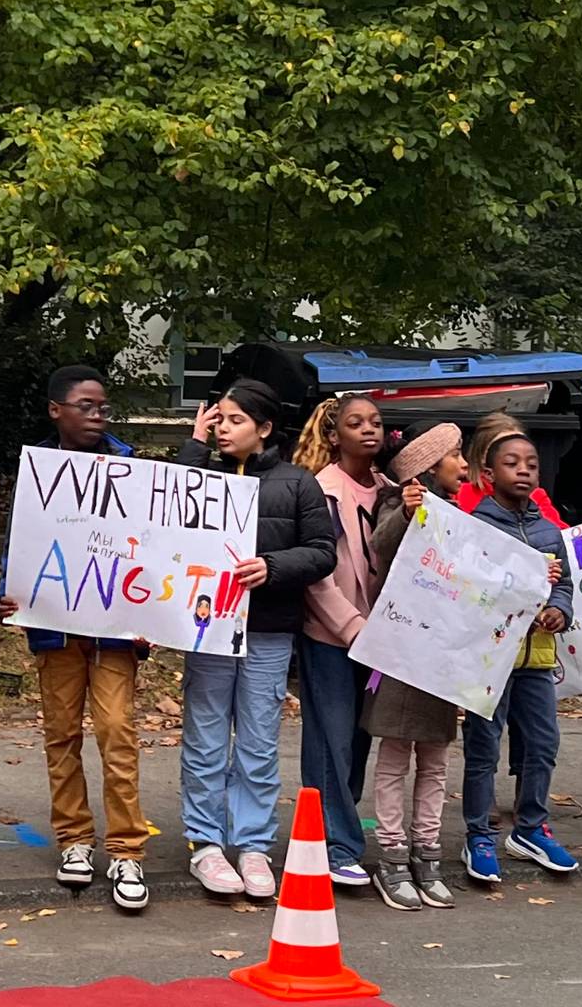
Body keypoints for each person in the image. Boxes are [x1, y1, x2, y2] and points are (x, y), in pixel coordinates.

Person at [0, 365, 150, 912]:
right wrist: (9, 593)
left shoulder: (130, 468)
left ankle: (127, 848)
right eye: (86, 405)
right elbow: (23, 539)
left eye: (103, 406)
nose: (98, 414)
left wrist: (150, 615)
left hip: (114, 631)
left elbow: (148, 545)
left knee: (116, 730)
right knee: (61, 734)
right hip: (55, 625)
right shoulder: (38, 472)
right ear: (56, 410)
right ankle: (75, 840)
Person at [175, 381, 336, 901]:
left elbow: (321, 551)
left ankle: (252, 845)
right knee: (205, 735)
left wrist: (272, 566)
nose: (223, 428)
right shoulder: (202, 473)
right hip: (207, 627)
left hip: (268, 630)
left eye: (235, 420)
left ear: (264, 429)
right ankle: (205, 842)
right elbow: (163, 518)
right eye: (218, 418)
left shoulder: (298, 484)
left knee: (259, 740)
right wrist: (195, 446)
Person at [460, 432, 574, 884]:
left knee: (543, 745)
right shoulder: (476, 527)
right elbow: (470, 587)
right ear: (488, 476)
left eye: (531, 463)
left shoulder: (549, 529)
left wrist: (558, 609)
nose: (524, 470)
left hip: (537, 660)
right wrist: (521, 583)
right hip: (490, 660)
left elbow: (564, 584)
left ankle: (529, 828)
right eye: (512, 463)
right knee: (483, 748)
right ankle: (478, 834)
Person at [362, 424, 466, 910]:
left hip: (442, 653)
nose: (464, 466)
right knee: (395, 751)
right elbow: (380, 547)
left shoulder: (461, 515)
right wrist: (407, 512)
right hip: (404, 649)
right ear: (428, 468)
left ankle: (428, 851)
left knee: (436, 756)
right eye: (456, 457)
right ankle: (392, 855)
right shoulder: (398, 506)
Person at [292, 395, 388, 888]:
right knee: (329, 741)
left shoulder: (392, 491)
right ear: (334, 437)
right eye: (355, 423)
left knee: (359, 737)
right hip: (331, 636)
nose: (368, 430)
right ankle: (338, 844)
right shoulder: (323, 490)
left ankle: (330, 832)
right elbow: (317, 575)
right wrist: (352, 627)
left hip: (380, 640)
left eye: (374, 422)